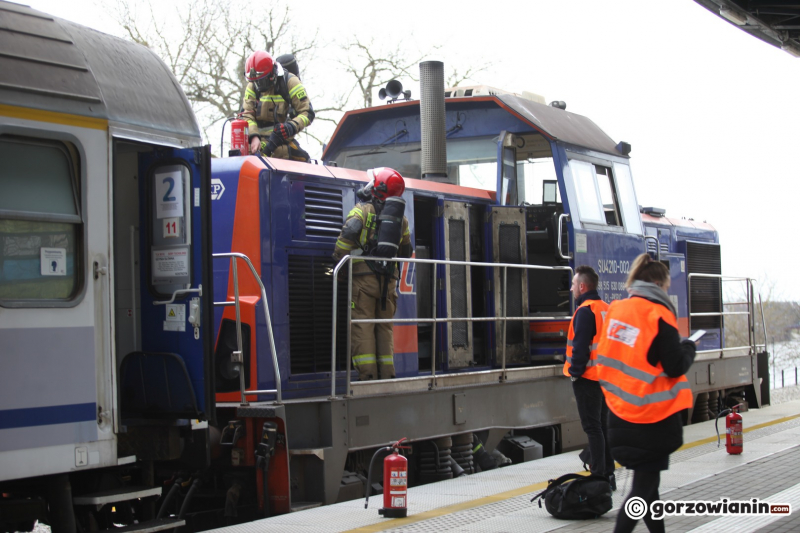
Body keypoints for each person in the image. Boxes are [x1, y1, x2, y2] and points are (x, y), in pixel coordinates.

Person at [596, 253, 697, 533]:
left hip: (619, 415)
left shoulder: (617, 310)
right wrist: (689, 347)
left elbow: (608, 359)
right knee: (640, 495)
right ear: (656, 283)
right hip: (651, 419)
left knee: (649, 493)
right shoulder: (658, 314)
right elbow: (675, 366)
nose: (667, 292)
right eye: (666, 287)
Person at [332, 168, 412, 381]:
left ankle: (367, 376)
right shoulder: (401, 220)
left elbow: (345, 239)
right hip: (388, 284)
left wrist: (339, 266)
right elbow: (405, 251)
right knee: (384, 327)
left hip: (363, 282)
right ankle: (387, 374)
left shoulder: (361, 211)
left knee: (363, 325)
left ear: (378, 187)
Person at [563, 266, 615, 488]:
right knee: (602, 427)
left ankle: (599, 476)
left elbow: (581, 348)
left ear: (582, 287)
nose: (572, 288)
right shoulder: (606, 309)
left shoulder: (585, 311)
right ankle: (608, 474)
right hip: (605, 378)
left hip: (588, 378)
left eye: (574, 284)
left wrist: (575, 374)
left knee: (592, 428)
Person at [242, 50, 314, 162]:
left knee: (303, 161)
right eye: (255, 82)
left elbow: (307, 112)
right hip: (257, 141)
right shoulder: (253, 84)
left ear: (272, 74)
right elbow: (247, 114)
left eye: (261, 81)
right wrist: (253, 136)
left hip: (283, 140)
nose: (258, 85)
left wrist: (291, 127)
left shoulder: (290, 82)